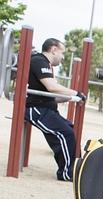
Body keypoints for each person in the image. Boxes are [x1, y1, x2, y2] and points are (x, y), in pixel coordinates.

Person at [25, 38, 86, 181]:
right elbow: (52, 87)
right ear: (53, 50)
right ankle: (66, 173)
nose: (63, 57)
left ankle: (77, 169)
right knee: (66, 134)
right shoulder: (39, 61)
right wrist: (75, 93)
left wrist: (70, 98)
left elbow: (51, 95)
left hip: (45, 108)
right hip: (36, 109)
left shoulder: (45, 64)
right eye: (62, 53)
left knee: (72, 129)